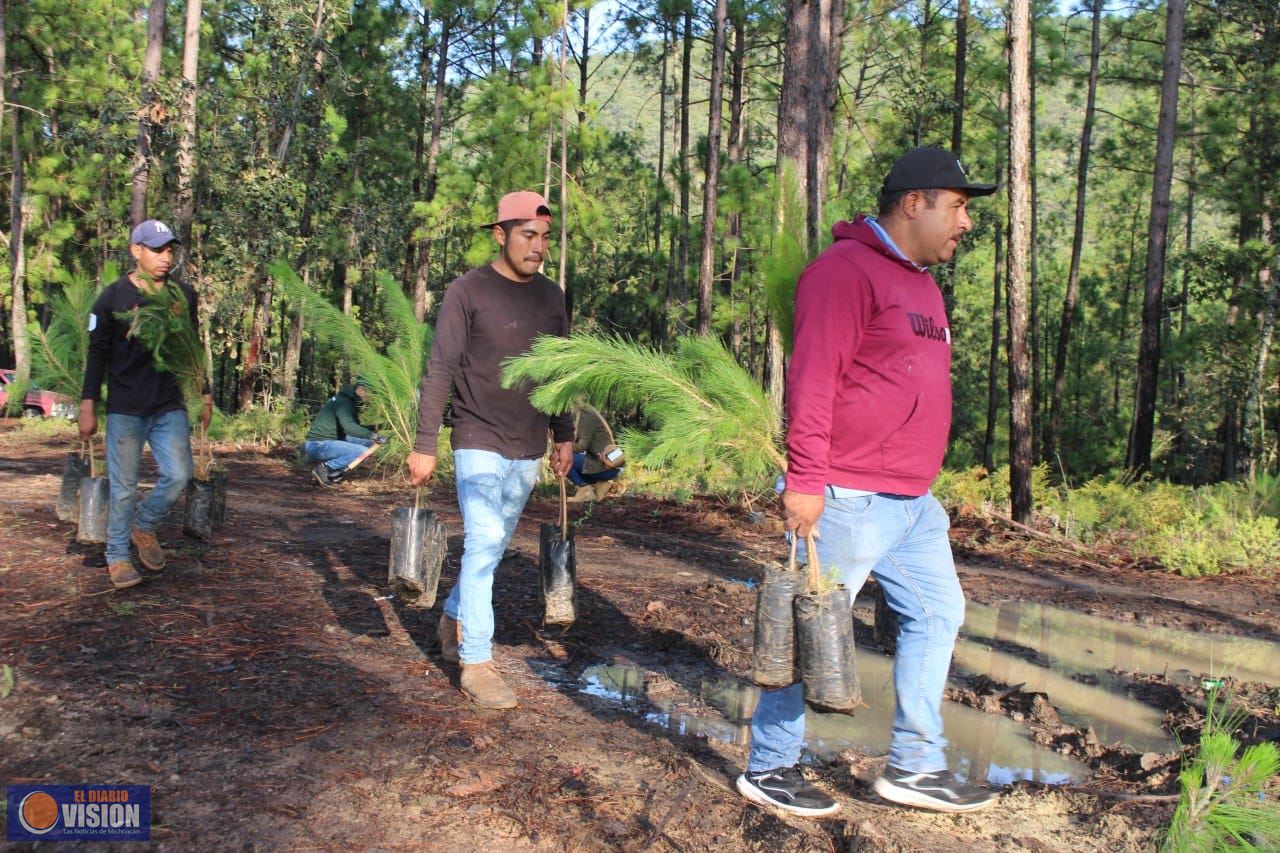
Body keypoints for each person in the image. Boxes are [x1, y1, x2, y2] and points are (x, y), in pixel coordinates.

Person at [735, 147, 998, 816]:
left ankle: (913, 765)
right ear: (915, 203)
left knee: (939, 612)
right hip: (847, 492)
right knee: (812, 624)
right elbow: (813, 378)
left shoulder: (923, 283)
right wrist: (804, 480)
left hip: (912, 499)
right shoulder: (843, 272)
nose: (965, 221)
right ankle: (770, 765)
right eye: (959, 205)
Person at [407, 191, 574, 710]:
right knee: (483, 540)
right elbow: (441, 368)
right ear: (500, 234)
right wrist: (425, 444)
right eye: (528, 235)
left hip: (527, 442)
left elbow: (561, 371)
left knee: (494, 546)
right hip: (476, 436)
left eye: (546, 238)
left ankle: (453, 616)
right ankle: (476, 662)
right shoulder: (467, 291)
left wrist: (564, 434)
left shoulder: (553, 297)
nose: (539, 247)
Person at [79, 219, 213, 590]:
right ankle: (118, 557)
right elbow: (97, 355)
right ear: (135, 250)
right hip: (125, 407)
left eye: (170, 250)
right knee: (123, 488)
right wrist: (88, 404)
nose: (165, 257)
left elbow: (192, 346)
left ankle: (145, 525)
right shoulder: (112, 298)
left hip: (168, 404)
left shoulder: (182, 296)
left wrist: (205, 392)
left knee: (179, 475)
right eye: (157, 249)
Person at [303, 378, 385, 486]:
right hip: (318, 444)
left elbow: (356, 428)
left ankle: (336, 469)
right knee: (361, 451)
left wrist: (381, 427)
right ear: (361, 390)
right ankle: (325, 468)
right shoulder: (343, 403)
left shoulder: (348, 401)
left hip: (329, 441)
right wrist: (373, 435)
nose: (372, 398)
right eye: (372, 393)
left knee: (369, 443)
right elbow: (350, 427)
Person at [566, 403, 624, 503]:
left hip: (605, 465)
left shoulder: (585, 416)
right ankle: (600, 485)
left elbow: (581, 446)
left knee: (563, 457)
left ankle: (584, 489)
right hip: (609, 465)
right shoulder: (588, 413)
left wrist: (563, 445)